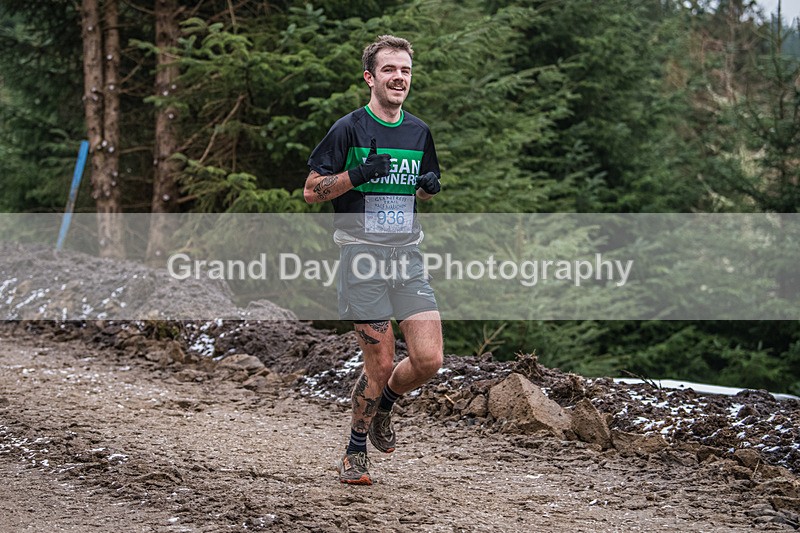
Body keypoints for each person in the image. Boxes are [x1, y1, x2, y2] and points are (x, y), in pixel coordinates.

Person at [304, 35, 443, 485]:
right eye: (389, 70)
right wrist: (358, 174)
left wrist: (428, 187)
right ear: (370, 77)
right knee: (380, 365)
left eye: (405, 70)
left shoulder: (419, 131)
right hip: (361, 258)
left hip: (407, 257)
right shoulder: (348, 128)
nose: (399, 78)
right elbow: (312, 191)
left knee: (429, 360)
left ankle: (385, 406)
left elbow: (421, 187)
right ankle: (354, 450)